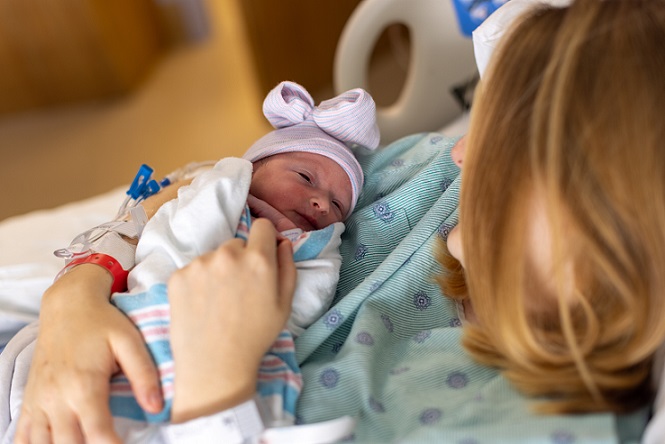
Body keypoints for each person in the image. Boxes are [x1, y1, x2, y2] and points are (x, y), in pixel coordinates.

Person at [4, 0, 665, 442]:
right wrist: (81, 290)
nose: (460, 152)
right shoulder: (432, 176)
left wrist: (216, 392)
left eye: (497, 143)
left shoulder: (541, 421)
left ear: (604, 222)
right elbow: (208, 186)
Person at [53, 80, 380, 428]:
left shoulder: (310, 246)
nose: (320, 202)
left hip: (246, 355)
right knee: (95, 404)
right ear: (252, 169)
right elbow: (173, 235)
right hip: (153, 311)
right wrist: (226, 176)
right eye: (304, 177)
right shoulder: (224, 193)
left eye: (337, 204)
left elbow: (309, 300)